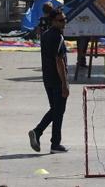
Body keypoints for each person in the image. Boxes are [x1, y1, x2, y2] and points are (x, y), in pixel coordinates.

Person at [29, 10, 70, 153]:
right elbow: (59, 61)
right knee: (58, 110)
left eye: (64, 19)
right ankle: (39, 132)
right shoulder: (57, 37)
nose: (63, 22)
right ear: (53, 21)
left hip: (47, 78)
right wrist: (64, 83)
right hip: (57, 79)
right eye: (60, 20)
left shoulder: (45, 35)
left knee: (57, 110)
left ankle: (55, 143)